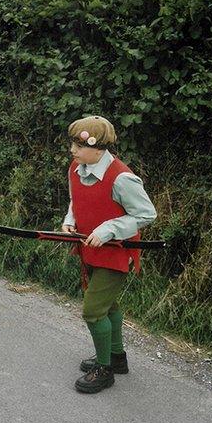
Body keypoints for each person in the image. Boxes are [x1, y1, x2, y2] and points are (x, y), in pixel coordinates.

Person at [63, 115, 156, 393]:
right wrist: (70, 220)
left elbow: (146, 214)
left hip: (115, 253)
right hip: (89, 249)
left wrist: (109, 229)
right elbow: (76, 200)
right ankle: (117, 358)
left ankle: (104, 371)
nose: (73, 151)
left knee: (93, 311)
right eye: (72, 145)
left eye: (79, 146)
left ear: (99, 148)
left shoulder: (121, 178)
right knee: (109, 306)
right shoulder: (76, 168)